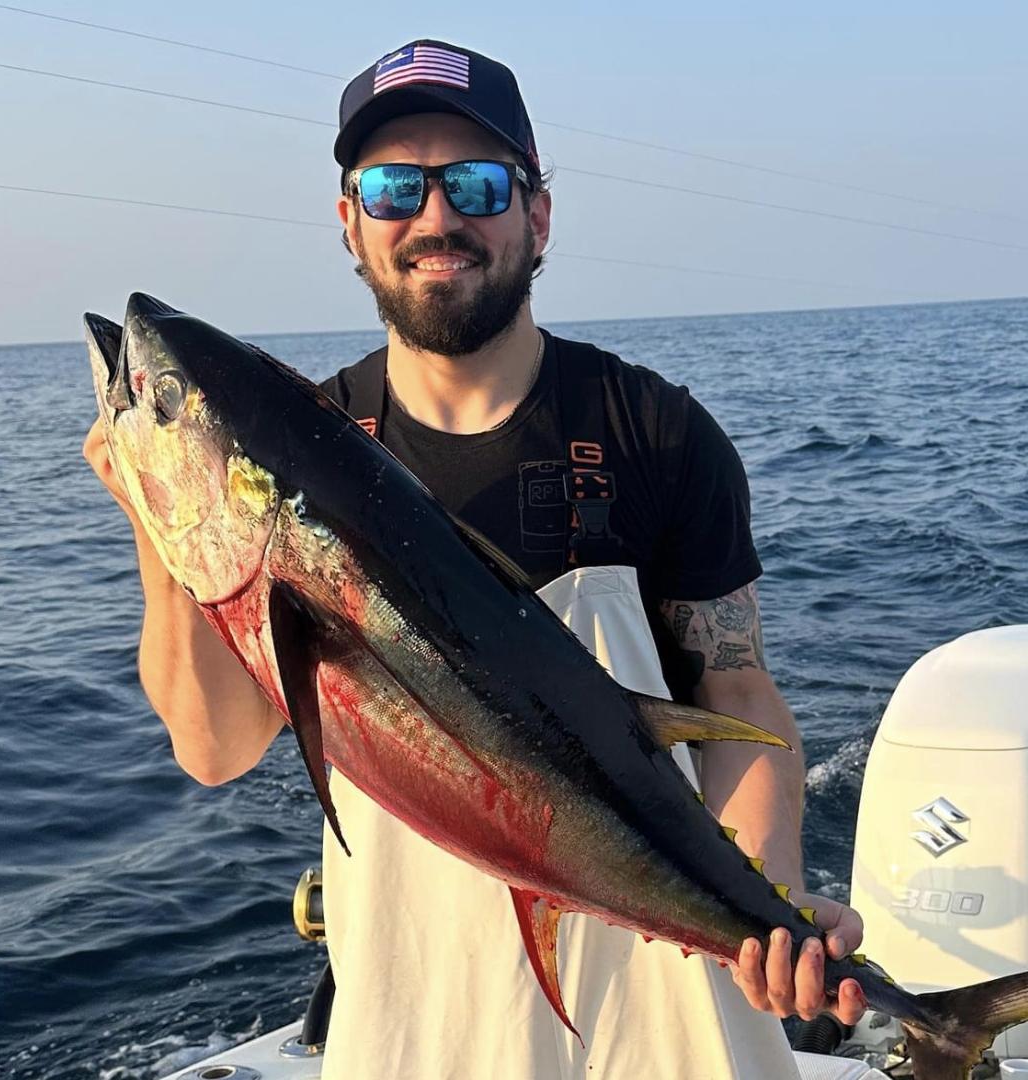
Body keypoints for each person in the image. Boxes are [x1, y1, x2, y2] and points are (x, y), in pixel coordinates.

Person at [83, 37, 865, 1079]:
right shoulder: (301, 446)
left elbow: (736, 694)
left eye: (479, 185)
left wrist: (768, 898)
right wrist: (157, 504)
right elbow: (215, 746)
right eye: (394, 188)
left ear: (537, 216)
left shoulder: (655, 432)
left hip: (674, 1023)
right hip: (418, 1024)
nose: (436, 218)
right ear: (351, 223)